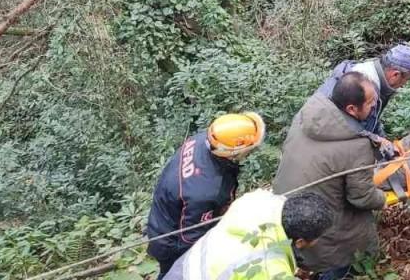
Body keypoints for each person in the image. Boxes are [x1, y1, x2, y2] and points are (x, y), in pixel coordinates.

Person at [273, 72, 386, 280]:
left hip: (284, 212)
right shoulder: (356, 146)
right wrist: (384, 199)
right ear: (352, 109)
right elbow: (362, 197)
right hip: (319, 229)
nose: (374, 107)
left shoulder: (306, 116)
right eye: (370, 103)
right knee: (348, 247)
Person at [145, 112, 265, 279]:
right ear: (232, 151)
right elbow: (191, 238)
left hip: (164, 218)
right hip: (171, 242)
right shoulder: (208, 191)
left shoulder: (202, 140)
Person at [162, 191, 334, 280]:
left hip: (183, 269)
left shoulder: (257, 200)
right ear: (301, 242)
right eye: (318, 238)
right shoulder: (270, 268)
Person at [316, 43, 410, 154]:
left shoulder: (374, 75)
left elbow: (371, 120)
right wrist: (376, 140)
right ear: (395, 75)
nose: (405, 85)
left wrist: (385, 141)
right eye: (407, 80)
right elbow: (340, 126)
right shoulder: (363, 89)